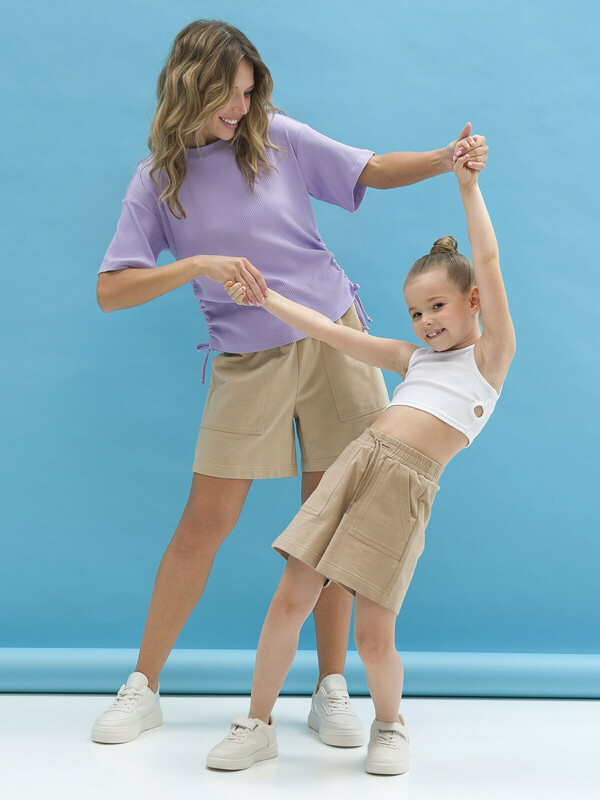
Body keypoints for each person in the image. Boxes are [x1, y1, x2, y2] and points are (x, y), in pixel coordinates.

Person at [91, 18, 488, 745]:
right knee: (205, 521)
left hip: (336, 339)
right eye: (228, 94)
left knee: (334, 520)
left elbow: (369, 169)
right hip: (247, 360)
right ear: (190, 85)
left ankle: (331, 687)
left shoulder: (276, 137)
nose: (241, 108)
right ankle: (143, 686)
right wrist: (196, 266)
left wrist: (445, 158)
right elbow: (110, 289)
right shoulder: (157, 181)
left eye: (249, 92)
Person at [207, 147, 515, 775]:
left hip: (403, 490)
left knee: (373, 637)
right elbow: (331, 331)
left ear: (474, 301)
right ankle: (257, 723)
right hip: (356, 464)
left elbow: (487, 259)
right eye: (416, 312)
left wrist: (467, 187)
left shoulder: (490, 358)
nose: (426, 321)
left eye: (438, 307)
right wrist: (265, 299)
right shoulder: (413, 358)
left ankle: (390, 726)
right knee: (290, 597)